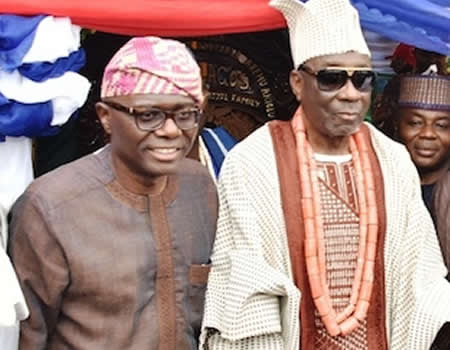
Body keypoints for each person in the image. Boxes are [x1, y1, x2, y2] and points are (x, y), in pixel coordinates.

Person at [199, 0, 450, 349]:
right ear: (298, 83)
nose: (350, 94)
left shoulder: (392, 160)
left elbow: (421, 276)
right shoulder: (255, 162)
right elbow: (246, 286)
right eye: (332, 78)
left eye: (362, 79)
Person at [8, 36, 218, 350]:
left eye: (185, 114)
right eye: (148, 115)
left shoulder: (202, 187)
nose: (171, 130)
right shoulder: (50, 206)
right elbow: (27, 336)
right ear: (106, 117)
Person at [395, 74, 450, 279]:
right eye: (415, 123)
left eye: (442, 125)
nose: (428, 133)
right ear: (398, 125)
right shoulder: (386, 183)